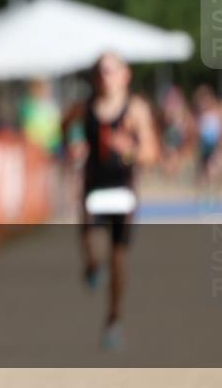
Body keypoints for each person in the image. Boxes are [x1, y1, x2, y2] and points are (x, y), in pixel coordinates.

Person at [61, 52, 158, 351]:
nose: (106, 76)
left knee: (119, 259)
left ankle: (114, 319)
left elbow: (151, 153)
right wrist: (73, 145)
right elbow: (65, 128)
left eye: (112, 70)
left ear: (125, 74)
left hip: (123, 190)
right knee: (90, 242)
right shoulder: (83, 108)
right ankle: (92, 266)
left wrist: (129, 149)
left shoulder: (136, 110)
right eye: (101, 70)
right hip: (93, 189)